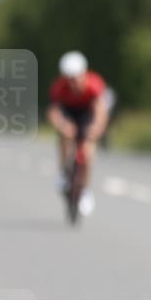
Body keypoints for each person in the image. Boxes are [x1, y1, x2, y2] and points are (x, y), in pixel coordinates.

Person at [46, 51, 108, 216]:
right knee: (66, 137)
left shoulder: (94, 85)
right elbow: (53, 112)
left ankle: (85, 191)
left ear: (83, 74)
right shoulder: (59, 87)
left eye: (75, 78)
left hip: (86, 114)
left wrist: (97, 127)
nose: (72, 83)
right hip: (68, 113)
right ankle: (63, 172)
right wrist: (62, 125)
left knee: (87, 153)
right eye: (69, 79)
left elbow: (100, 110)